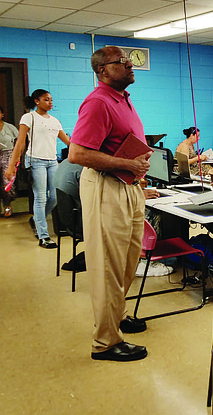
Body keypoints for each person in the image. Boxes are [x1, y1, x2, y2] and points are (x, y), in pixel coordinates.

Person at [69, 46, 152, 362]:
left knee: (128, 260)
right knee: (108, 266)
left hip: (128, 186)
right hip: (107, 187)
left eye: (130, 62)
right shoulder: (98, 102)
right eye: (123, 62)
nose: (130, 66)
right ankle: (105, 342)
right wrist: (128, 164)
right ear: (103, 70)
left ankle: (116, 317)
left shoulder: (123, 99)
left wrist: (137, 172)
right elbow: (77, 154)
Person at [4, 90, 70, 248]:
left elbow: (68, 141)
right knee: (40, 198)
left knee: (54, 197)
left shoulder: (54, 121)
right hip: (36, 161)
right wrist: (11, 165)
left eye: (51, 100)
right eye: (46, 100)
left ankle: (35, 220)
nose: (50, 102)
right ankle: (43, 236)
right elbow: (20, 142)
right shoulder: (29, 117)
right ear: (37, 101)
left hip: (52, 161)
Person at [0, 105, 19, 216]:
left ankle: (7, 205)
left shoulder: (9, 127)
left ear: (2, 114)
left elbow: (19, 141)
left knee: (7, 182)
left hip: (7, 155)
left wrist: (17, 156)